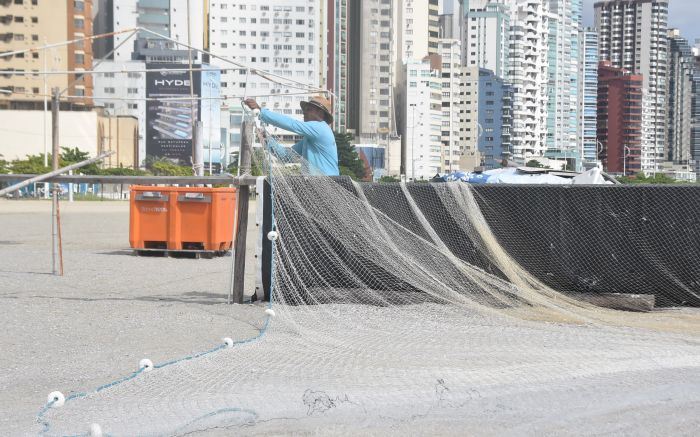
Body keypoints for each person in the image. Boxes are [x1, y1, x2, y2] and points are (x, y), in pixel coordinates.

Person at [244, 96, 339, 176]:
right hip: (317, 184)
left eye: (309, 109)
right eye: (304, 109)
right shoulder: (309, 140)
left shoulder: (320, 128)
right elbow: (286, 155)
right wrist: (268, 140)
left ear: (320, 113)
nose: (304, 112)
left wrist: (261, 111)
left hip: (328, 182)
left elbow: (292, 124)